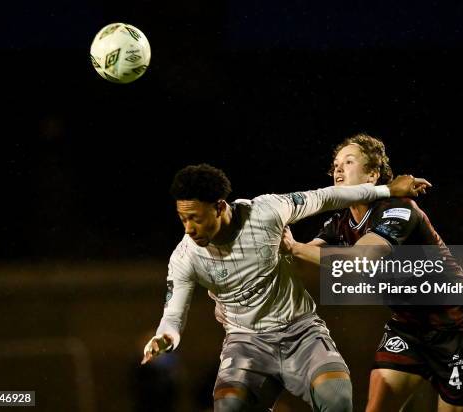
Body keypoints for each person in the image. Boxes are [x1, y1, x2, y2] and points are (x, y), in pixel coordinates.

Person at [141, 163, 430, 412]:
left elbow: (326, 197)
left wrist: (387, 191)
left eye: (195, 218)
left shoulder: (266, 211)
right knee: (229, 406)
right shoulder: (184, 256)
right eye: (183, 219)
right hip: (246, 344)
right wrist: (164, 337)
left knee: (338, 396)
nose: (188, 228)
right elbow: (174, 314)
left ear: (219, 207)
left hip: (301, 333)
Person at [281, 133, 463, 412]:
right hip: (408, 326)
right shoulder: (340, 221)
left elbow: (362, 258)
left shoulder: (399, 209)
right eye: (336, 163)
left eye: (349, 162)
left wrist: (294, 248)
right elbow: (303, 256)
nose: (338, 169)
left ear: (372, 175)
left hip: (456, 325)